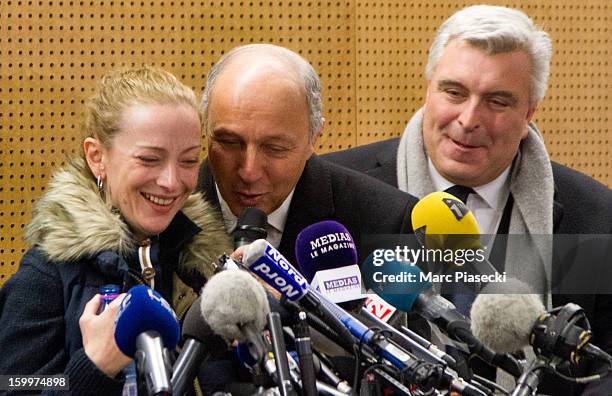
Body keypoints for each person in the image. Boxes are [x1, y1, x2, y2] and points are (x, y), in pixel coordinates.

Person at [324, 5, 612, 395]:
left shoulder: (595, 219)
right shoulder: (337, 191)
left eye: (497, 101)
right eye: (454, 92)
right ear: (428, 88)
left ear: (529, 111)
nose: (469, 119)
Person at [0, 66, 233, 394]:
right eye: (149, 159)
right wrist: (94, 365)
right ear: (97, 157)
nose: (170, 181)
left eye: (189, 161)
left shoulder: (204, 267)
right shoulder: (45, 278)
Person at [197, 43, 419, 266]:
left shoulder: (388, 222)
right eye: (230, 143)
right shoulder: (169, 215)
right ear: (205, 128)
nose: (249, 172)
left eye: (275, 148)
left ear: (314, 138)